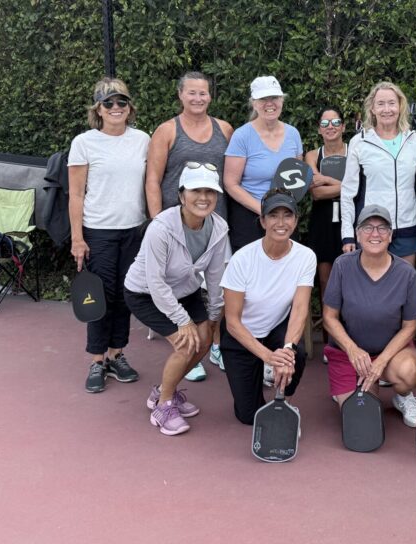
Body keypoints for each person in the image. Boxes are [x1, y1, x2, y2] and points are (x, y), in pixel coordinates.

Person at [124, 165, 230, 435]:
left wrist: (216, 316)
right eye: (196, 190)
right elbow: (156, 282)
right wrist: (182, 321)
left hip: (186, 289)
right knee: (186, 343)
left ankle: (162, 391)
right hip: (144, 293)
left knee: (205, 339)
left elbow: (216, 277)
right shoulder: (160, 228)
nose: (203, 197)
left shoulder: (219, 228)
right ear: (182, 195)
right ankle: (164, 405)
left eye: (210, 191)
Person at [144, 71, 234, 382]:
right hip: (175, 227)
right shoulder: (167, 130)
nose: (198, 98)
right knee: (179, 289)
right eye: (191, 93)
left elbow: (233, 177)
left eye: (203, 93)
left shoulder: (224, 129)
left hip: (214, 227)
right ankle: (187, 350)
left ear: (210, 96)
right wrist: (157, 221)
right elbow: (153, 179)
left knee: (219, 288)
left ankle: (216, 344)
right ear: (181, 95)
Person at [69, 77, 149, 394]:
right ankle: (96, 360)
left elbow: (153, 181)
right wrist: (78, 239)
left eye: (121, 102)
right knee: (100, 296)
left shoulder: (143, 139)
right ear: (98, 109)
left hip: (134, 229)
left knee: (125, 294)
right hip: (98, 230)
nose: (116, 108)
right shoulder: (84, 143)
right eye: (109, 103)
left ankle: (117, 355)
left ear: (129, 108)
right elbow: (75, 194)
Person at [322, 205, 416, 426]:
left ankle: (403, 395)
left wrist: (382, 361)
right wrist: (352, 349)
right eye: (367, 227)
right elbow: (329, 317)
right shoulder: (342, 265)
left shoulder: (406, 273)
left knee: (409, 372)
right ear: (357, 234)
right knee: (362, 421)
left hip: (389, 354)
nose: (375, 234)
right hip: (351, 354)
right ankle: (354, 387)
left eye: (382, 228)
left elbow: (410, 326)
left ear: (390, 235)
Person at [219, 190, 314, 424]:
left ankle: (285, 401)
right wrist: (269, 357)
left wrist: (288, 351)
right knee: (249, 416)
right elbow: (232, 321)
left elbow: (300, 309)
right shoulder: (242, 259)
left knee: (297, 354)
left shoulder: (306, 256)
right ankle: (265, 371)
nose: (281, 223)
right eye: (273, 215)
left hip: (274, 328)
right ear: (262, 221)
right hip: (241, 335)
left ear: (296, 220)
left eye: (287, 215)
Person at [340, 81, 416, 267]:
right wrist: (347, 234)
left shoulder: (413, 140)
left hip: (407, 229)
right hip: (373, 229)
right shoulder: (359, 142)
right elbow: (348, 193)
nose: (387, 109)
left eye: (391, 103)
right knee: (371, 289)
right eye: (380, 104)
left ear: (400, 106)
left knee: (404, 288)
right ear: (372, 108)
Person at [223, 76, 303, 253]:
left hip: (284, 215)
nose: (270, 104)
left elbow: (297, 177)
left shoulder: (293, 134)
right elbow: (230, 183)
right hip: (249, 216)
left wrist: (282, 212)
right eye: (263, 99)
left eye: (274, 98)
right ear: (254, 103)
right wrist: (263, 210)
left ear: (282, 100)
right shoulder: (242, 136)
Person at [304, 106, 347, 358]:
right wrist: (345, 185)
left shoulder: (355, 151)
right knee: (325, 280)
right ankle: (330, 343)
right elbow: (316, 192)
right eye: (325, 123)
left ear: (343, 126)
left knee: (352, 279)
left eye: (336, 122)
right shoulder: (312, 155)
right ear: (320, 129)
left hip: (349, 220)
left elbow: (359, 187)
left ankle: (349, 335)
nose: (331, 127)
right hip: (321, 222)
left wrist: (328, 181)